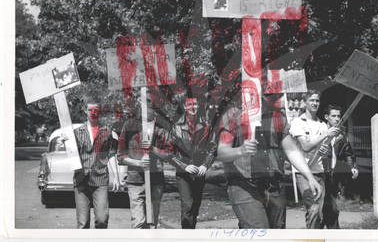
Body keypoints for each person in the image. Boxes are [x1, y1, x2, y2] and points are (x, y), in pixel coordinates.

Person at [217, 93, 322, 229]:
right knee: (259, 230)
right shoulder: (233, 115)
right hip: (244, 186)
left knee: (277, 232)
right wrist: (240, 151)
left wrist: (310, 177)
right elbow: (221, 152)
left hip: (274, 186)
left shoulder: (278, 117)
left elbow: (292, 150)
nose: (274, 93)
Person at [289, 90, 341, 229]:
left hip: (319, 173)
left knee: (320, 212)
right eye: (311, 100)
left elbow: (325, 151)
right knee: (313, 209)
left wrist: (325, 151)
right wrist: (325, 134)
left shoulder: (322, 124)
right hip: (304, 173)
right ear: (305, 102)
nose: (315, 103)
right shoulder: (298, 122)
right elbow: (306, 146)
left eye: (317, 100)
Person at [64, 102, 120, 229]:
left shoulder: (107, 132)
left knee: (102, 219)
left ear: (99, 111)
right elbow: (71, 152)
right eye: (90, 110)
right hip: (81, 180)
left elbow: (111, 155)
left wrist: (116, 177)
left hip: (100, 179)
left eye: (96, 110)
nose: (93, 113)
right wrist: (66, 142)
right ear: (85, 111)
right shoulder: (76, 132)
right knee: (82, 223)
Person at [117, 96, 170, 229]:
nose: (146, 108)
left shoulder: (162, 128)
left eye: (149, 104)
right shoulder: (129, 125)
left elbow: (169, 154)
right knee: (138, 222)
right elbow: (120, 156)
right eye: (142, 105)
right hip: (135, 180)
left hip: (156, 178)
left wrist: (153, 149)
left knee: (152, 222)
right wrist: (138, 163)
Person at [166, 96, 217, 229]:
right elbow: (169, 153)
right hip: (184, 173)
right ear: (184, 107)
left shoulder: (206, 125)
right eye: (189, 105)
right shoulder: (176, 127)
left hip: (200, 172)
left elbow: (212, 148)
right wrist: (184, 166)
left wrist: (205, 165)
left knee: (195, 206)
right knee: (187, 206)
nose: (193, 107)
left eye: (195, 104)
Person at [321, 104, 359, 229]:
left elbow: (348, 153)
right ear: (327, 117)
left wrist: (352, 166)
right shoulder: (320, 131)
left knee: (331, 210)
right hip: (319, 175)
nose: (337, 118)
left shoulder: (341, 135)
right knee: (322, 211)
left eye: (339, 116)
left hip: (332, 177)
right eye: (334, 116)